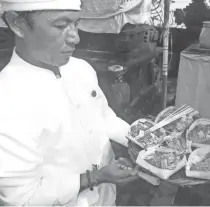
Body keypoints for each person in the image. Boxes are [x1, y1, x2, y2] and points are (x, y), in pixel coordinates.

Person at [0, 0, 138, 205]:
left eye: (76, 23)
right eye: (60, 26)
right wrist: (96, 177)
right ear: (17, 23)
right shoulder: (8, 98)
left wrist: (142, 140)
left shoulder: (80, 69)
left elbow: (103, 117)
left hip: (107, 199)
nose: (76, 37)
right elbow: (22, 199)